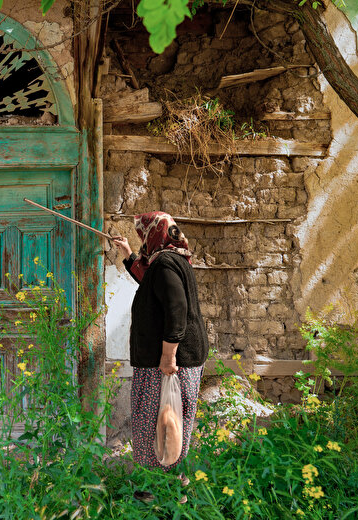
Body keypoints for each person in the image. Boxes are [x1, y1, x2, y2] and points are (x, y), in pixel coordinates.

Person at [105, 211, 208, 503]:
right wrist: (127, 254)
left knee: (155, 422)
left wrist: (167, 357)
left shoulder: (164, 264)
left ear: (154, 235)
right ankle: (176, 488)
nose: (143, 242)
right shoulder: (172, 260)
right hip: (178, 359)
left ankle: (152, 492)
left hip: (167, 363)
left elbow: (176, 310)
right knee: (173, 421)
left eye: (143, 237)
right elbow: (148, 280)